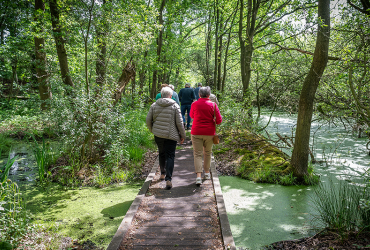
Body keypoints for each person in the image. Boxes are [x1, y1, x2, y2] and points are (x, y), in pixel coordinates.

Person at [146, 87, 186, 189]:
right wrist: (182, 135)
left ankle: (162, 173)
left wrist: (152, 130)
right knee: (170, 156)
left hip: (158, 135)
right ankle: (168, 179)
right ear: (171, 96)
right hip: (171, 135)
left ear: (161, 95)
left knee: (161, 153)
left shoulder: (154, 105)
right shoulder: (175, 105)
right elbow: (180, 123)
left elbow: (148, 120)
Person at [190, 86, 222, 185]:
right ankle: (207, 173)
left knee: (197, 154)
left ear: (199, 94)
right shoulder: (213, 105)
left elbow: (191, 116)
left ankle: (198, 177)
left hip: (196, 132)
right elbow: (219, 121)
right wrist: (212, 120)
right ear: (209, 95)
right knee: (208, 153)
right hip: (209, 133)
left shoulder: (194, 104)